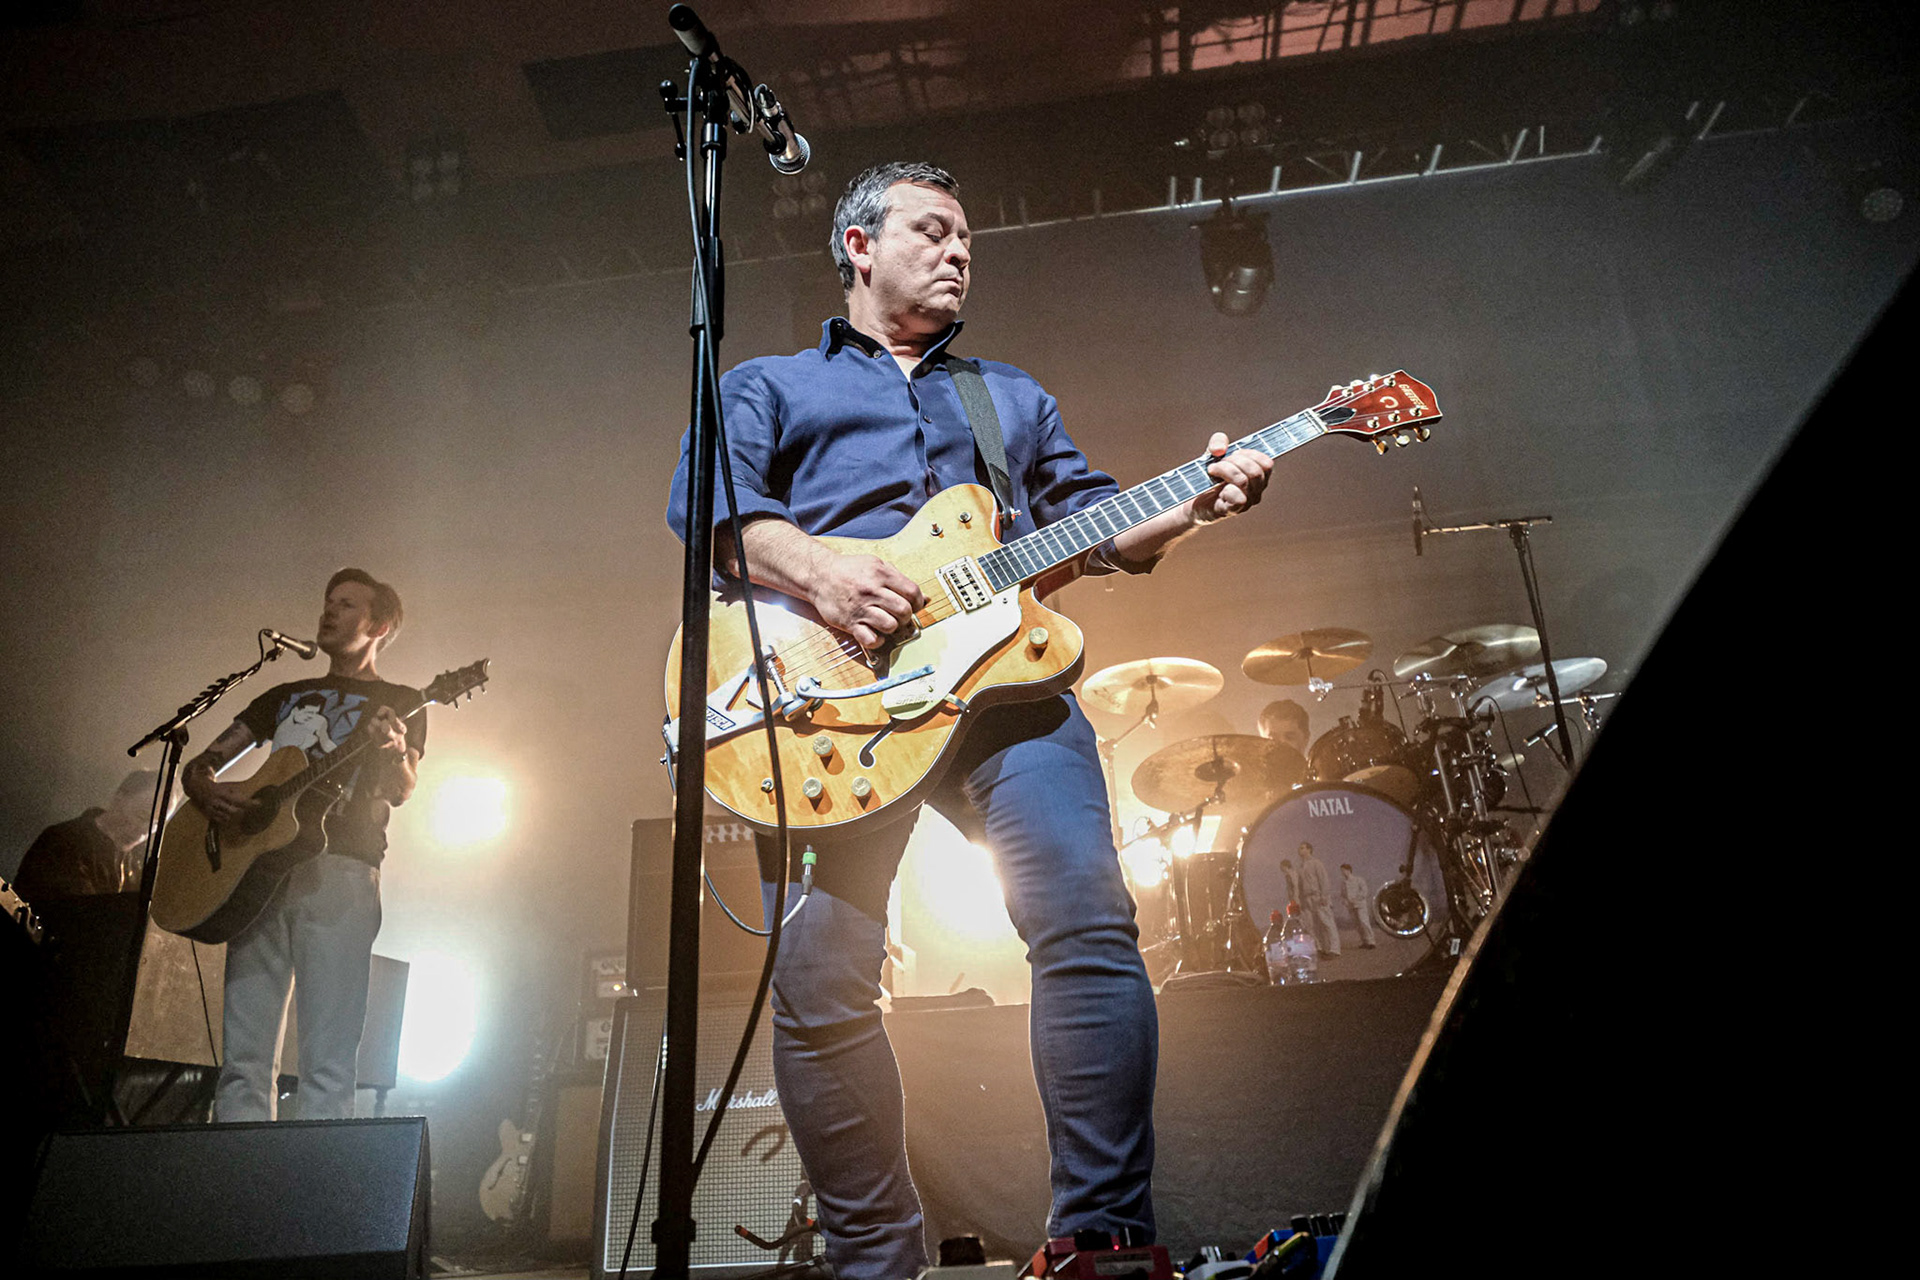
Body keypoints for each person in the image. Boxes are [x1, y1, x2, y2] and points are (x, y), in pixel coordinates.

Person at [666, 162, 1275, 1276]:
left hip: (1005, 695)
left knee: (1089, 927)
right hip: (829, 707)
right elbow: (709, 511)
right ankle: (873, 1254)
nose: (958, 253)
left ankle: (1102, 1236)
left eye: (967, 242)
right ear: (858, 245)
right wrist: (822, 572)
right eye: (933, 231)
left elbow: (1097, 523)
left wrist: (1188, 503)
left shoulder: (1009, 397)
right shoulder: (769, 383)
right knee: (819, 984)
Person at [181, 569, 424, 1121]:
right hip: (256, 873)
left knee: (328, 1064)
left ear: (379, 625)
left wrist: (391, 748)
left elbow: (403, 789)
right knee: (242, 1062)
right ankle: (238, 1191)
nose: (329, 612)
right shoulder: (284, 695)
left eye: (346, 605)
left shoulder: (402, 702)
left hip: (340, 870)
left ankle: (312, 1195)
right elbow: (204, 764)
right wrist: (204, 791)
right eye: (327, 602)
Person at [11, 770, 158, 901]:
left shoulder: (139, 868)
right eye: (142, 815)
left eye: (157, 824)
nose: (145, 830)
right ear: (119, 798)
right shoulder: (63, 840)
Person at [1296, 841, 1340, 957]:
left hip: (1318, 896)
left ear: (1309, 849)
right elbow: (1300, 885)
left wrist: (1324, 896)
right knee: (1315, 925)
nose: (1300, 851)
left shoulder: (1316, 863)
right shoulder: (1300, 867)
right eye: (1299, 849)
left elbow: (1323, 880)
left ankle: (1335, 949)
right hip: (1307, 898)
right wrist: (1301, 900)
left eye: (1302, 848)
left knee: (1327, 922)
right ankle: (1323, 949)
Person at [1339, 862, 1377, 949]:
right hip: (1350, 906)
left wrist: (1356, 899)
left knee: (1364, 921)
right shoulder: (1343, 883)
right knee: (1357, 924)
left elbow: (1364, 891)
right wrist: (1345, 901)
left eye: (1344, 870)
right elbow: (1342, 894)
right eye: (1342, 871)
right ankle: (1364, 941)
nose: (1342, 873)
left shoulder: (1359, 880)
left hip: (1360, 905)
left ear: (1348, 870)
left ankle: (1371, 941)